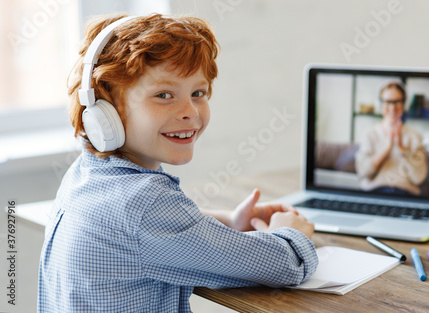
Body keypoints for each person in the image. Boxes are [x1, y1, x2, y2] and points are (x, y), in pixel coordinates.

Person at [38, 13, 317, 312]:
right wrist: (292, 234)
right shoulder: (146, 203)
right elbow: (283, 266)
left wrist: (229, 222)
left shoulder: (84, 174)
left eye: (198, 93)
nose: (190, 112)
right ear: (104, 111)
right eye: (164, 95)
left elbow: (152, 228)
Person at [355, 82, 428, 195]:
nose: (393, 107)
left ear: (403, 104)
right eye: (388, 102)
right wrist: (387, 148)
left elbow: (419, 178)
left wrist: (404, 151)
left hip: (404, 194)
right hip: (373, 192)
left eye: (397, 102)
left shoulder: (414, 136)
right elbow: (363, 173)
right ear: (381, 104)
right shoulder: (369, 134)